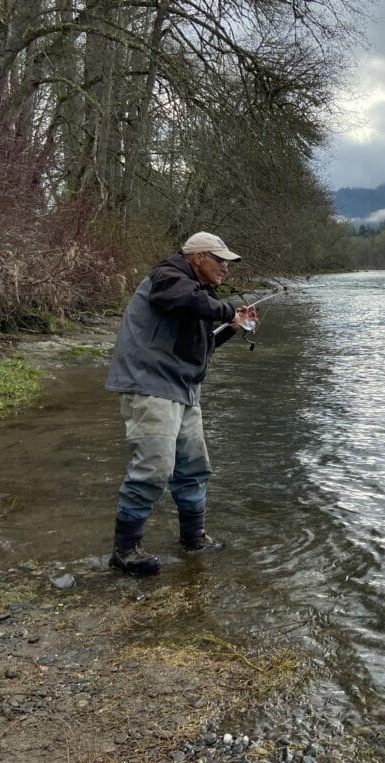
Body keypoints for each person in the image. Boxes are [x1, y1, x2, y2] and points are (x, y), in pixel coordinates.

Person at [104, 232, 258, 576]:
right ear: (197, 257)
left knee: (192, 467)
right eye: (220, 261)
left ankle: (193, 539)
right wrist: (228, 309)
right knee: (155, 468)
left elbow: (202, 346)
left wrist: (232, 326)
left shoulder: (196, 295)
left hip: (183, 389)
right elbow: (188, 302)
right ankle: (125, 551)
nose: (226, 269)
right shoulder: (168, 278)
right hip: (150, 386)